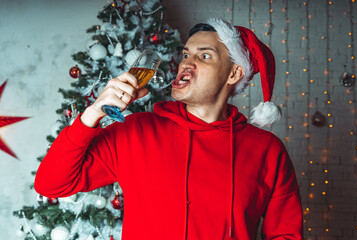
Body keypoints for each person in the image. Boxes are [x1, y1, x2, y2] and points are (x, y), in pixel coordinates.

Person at [35, 18, 304, 240]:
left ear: (234, 74)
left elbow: (286, 234)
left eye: (204, 56)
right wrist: (93, 113)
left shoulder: (267, 150)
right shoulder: (135, 131)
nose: (186, 62)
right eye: (186, 54)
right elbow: (52, 184)